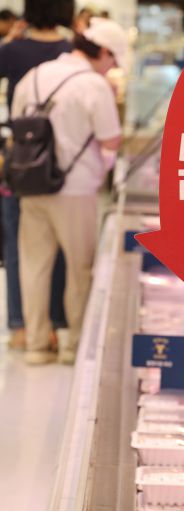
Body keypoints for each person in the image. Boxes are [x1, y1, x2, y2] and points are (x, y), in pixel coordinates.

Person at [12, 18, 125, 365]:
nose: (112, 68)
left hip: (32, 185)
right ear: (103, 51)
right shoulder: (93, 85)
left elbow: (17, 125)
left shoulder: (34, 76)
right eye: (113, 60)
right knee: (79, 268)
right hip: (75, 191)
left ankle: (36, 345)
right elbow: (111, 139)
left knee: (33, 266)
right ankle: (73, 346)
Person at [0, 0, 73, 351]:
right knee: (59, 248)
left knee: (18, 247)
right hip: (63, 167)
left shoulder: (12, 52)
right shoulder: (70, 52)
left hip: (20, 161)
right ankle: (55, 325)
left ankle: (21, 326)